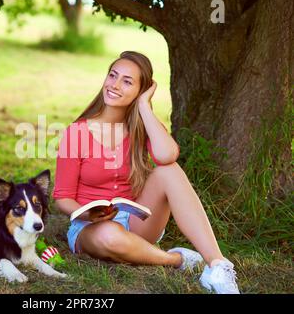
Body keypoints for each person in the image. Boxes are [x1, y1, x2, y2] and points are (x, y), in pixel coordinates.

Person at [52, 51, 240, 294]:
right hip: (91, 228)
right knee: (109, 235)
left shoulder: (141, 127)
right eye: (113, 76)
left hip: (136, 222)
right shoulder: (76, 133)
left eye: (127, 82)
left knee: (169, 172)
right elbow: (62, 196)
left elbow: (167, 156)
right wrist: (87, 214)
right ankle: (177, 260)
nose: (115, 85)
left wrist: (144, 107)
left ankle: (217, 265)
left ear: (141, 91)